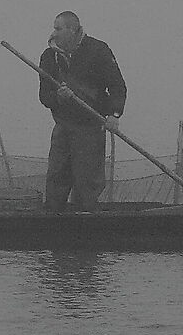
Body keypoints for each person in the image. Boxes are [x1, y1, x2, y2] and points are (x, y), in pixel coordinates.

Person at [34, 11, 127, 211]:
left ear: (72, 30)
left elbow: (118, 87)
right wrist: (58, 97)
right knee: (57, 177)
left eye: (58, 28)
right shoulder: (49, 57)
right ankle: (53, 224)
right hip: (63, 127)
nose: (54, 33)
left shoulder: (98, 50)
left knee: (87, 182)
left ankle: (86, 224)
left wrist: (114, 114)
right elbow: (44, 96)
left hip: (91, 128)